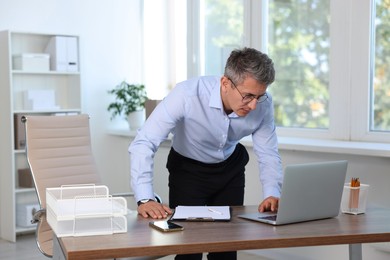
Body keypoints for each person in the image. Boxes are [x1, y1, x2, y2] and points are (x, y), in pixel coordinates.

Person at [128, 47, 283, 260]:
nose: (254, 105)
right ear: (225, 83)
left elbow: (268, 152)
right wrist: (145, 198)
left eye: (260, 96)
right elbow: (144, 142)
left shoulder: (262, 105)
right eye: (248, 96)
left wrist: (272, 193)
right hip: (188, 171)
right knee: (189, 250)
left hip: (230, 169)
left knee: (226, 249)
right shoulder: (186, 94)